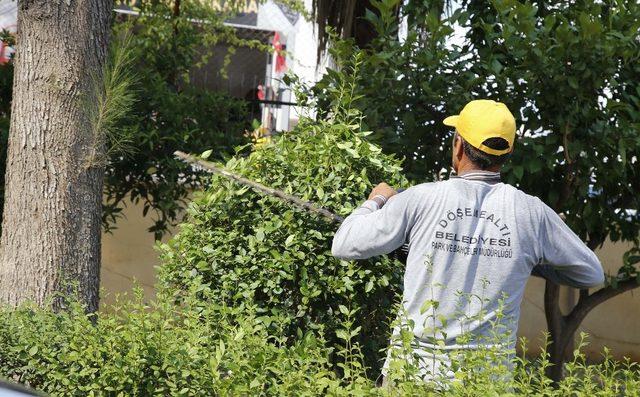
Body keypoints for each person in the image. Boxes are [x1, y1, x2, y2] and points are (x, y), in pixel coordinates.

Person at [331, 99, 605, 383]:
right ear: (507, 152)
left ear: (458, 145)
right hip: (486, 380)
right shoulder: (531, 212)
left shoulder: (419, 199)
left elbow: (344, 243)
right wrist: (527, 260)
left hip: (412, 376)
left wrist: (376, 199)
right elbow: (591, 272)